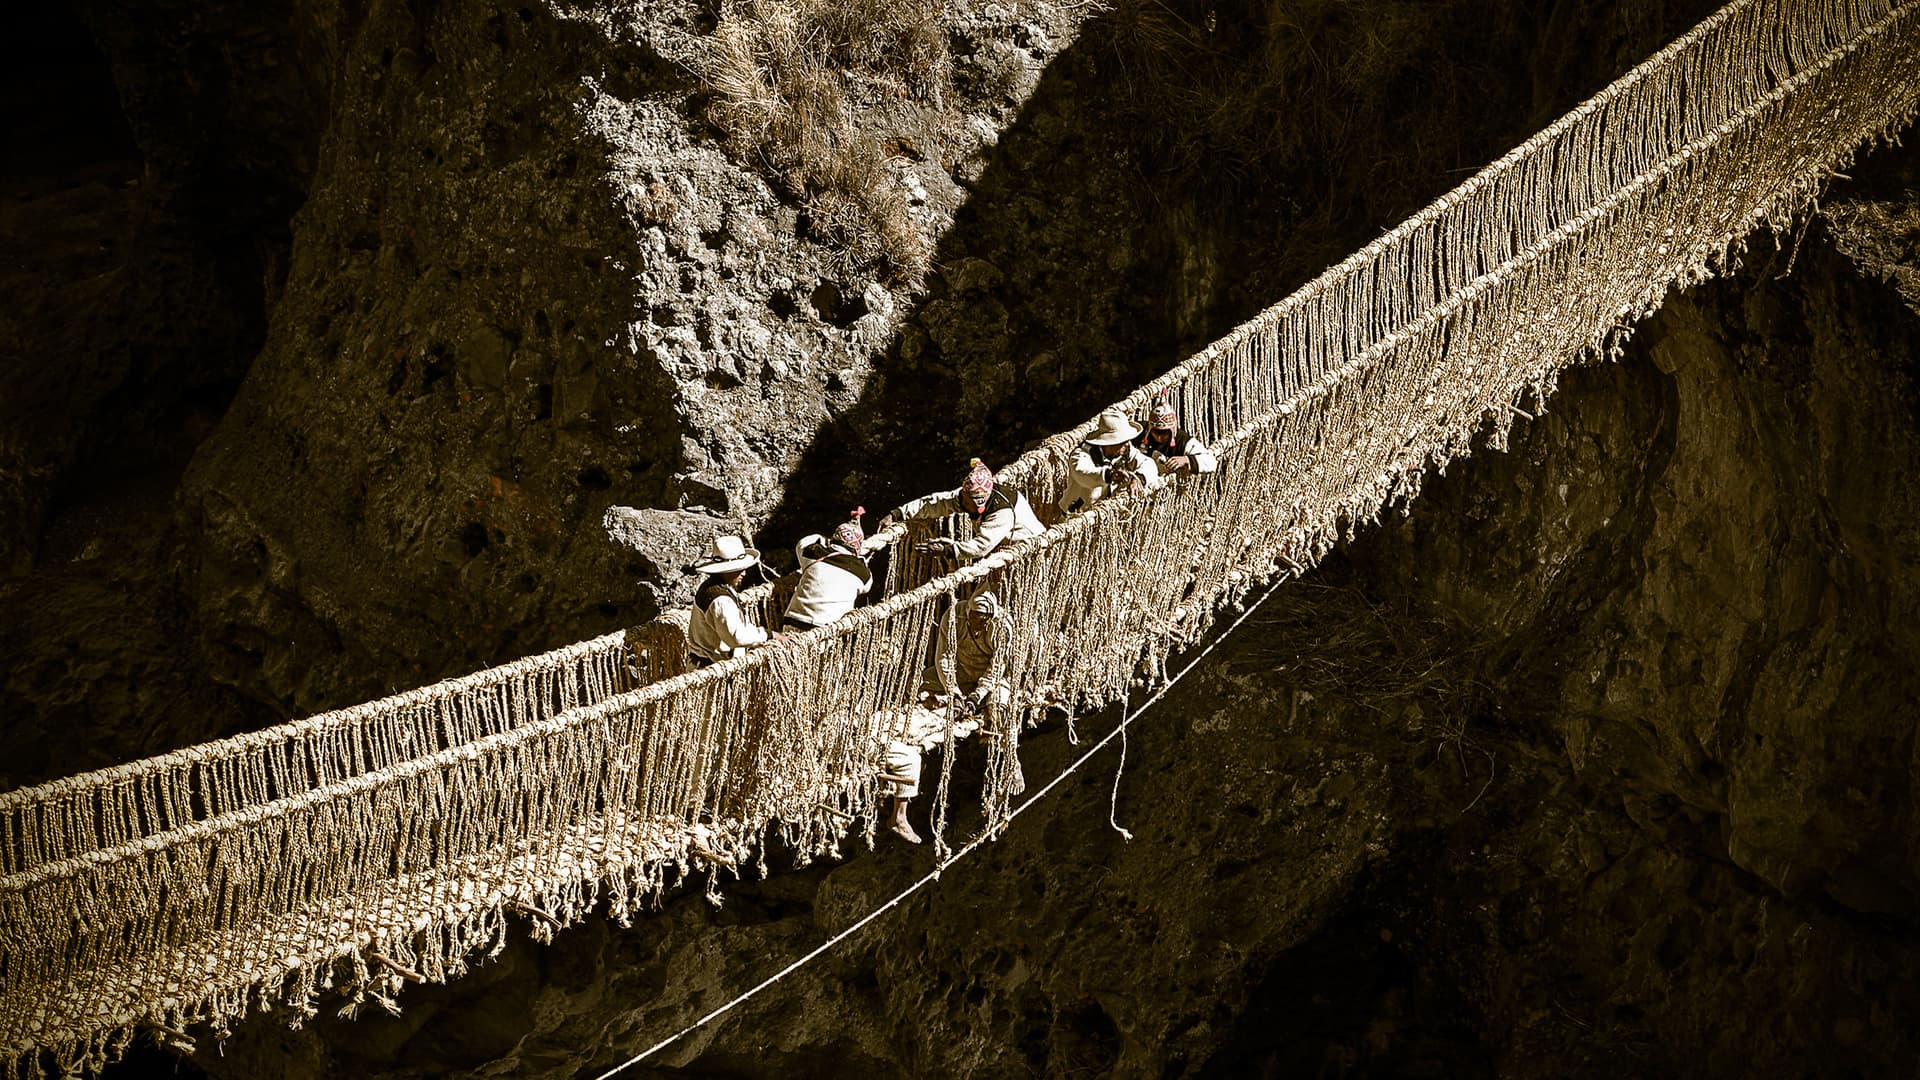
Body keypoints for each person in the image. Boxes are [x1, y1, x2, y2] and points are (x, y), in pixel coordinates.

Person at [882, 591, 1022, 843]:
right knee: (916, 686)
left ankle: (1011, 758)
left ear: (990, 617)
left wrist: (977, 696)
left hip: (988, 679)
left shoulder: (1003, 627)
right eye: (973, 617)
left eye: (982, 620)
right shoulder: (954, 616)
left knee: (1000, 707)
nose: (976, 623)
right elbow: (944, 656)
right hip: (957, 671)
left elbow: (997, 667)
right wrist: (954, 692)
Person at [885, 458, 1045, 561]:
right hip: (1002, 547)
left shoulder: (1002, 512)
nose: (961, 503)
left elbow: (982, 546)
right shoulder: (968, 496)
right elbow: (937, 503)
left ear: (979, 504)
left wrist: (947, 550)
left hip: (1029, 551)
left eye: (967, 502)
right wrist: (898, 514)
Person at [686, 535, 787, 665]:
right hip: (711, 670)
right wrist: (769, 635)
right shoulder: (720, 599)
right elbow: (735, 637)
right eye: (738, 570)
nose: (744, 573)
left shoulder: (714, 587)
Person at [782, 507, 876, 631]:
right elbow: (866, 588)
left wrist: (826, 540)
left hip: (793, 623)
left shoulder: (811, 553)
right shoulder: (864, 574)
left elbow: (805, 541)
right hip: (825, 632)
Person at [1058, 408, 1161, 514]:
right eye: (1123, 441)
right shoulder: (1081, 454)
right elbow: (1083, 474)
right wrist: (1109, 475)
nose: (1127, 444)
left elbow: (1148, 463)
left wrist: (1138, 479)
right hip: (1075, 518)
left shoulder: (1125, 450)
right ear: (1110, 443)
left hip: (1104, 516)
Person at [1137, 392, 1217, 475]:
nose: (1159, 437)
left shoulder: (1183, 440)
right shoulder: (1140, 431)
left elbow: (1211, 462)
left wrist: (1186, 459)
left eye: (1165, 433)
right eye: (1156, 432)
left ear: (1173, 430)